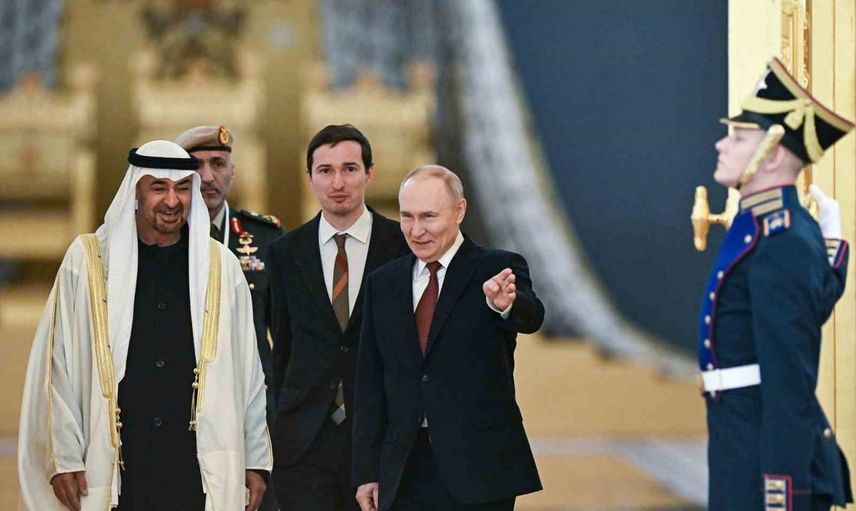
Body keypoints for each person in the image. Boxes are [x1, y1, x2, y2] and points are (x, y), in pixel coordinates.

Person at [17, 140, 272, 511]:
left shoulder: (221, 266)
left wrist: (255, 458)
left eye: (182, 188)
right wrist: (64, 457)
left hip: (196, 469)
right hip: (116, 468)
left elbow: (249, 372)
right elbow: (57, 366)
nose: (172, 200)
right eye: (158, 187)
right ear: (135, 192)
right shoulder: (88, 261)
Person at [701, 57, 854, 510]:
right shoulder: (765, 227)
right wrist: (832, 251)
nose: (721, 144)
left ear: (773, 154)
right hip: (740, 442)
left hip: (763, 462)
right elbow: (800, 311)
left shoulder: (781, 238)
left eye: (738, 137)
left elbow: (789, 380)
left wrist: (783, 491)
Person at [352, 165, 543, 511]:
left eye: (429, 216)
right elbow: (369, 382)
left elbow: (531, 317)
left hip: (481, 470)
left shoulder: (497, 268)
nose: (416, 230)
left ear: (459, 211)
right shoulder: (383, 283)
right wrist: (366, 471)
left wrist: (506, 305)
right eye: (407, 217)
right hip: (404, 469)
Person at [266, 124, 408, 510]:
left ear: (369, 173)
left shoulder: (403, 246)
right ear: (309, 177)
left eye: (349, 169)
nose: (338, 182)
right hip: (304, 443)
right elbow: (283, 348)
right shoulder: (284, 253)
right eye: (326, 171)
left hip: (383, 439)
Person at [175, 125, 285, 422]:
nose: (208, 177)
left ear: (232, 172)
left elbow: (288, 336)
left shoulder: (266, 238)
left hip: (251, 402)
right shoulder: (160, 239)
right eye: (196, 166)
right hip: (180, 399)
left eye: (218, 164)